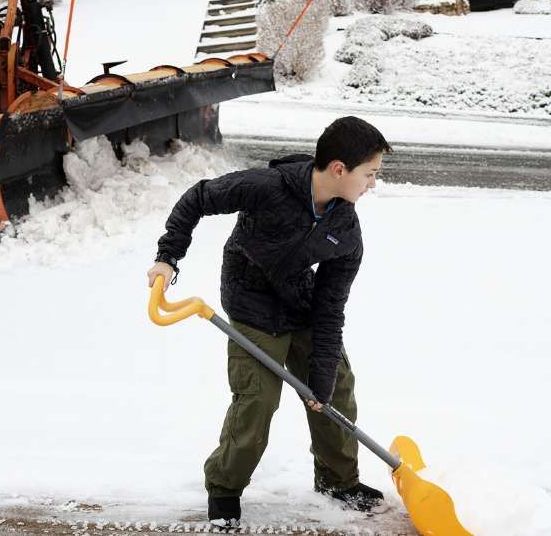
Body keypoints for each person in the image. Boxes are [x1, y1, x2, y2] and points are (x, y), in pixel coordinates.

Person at [147, 116, 391, 528]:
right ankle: (224, 489)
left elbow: (331, 307)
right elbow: (198, 199)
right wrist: (168, 257)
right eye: (369, 174)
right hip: (251, 303)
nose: (372, 184)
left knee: (335, 390)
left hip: (301, 303)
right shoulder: (268, 187)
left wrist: (321, 378)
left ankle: (338, 481)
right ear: (338, 169)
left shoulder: (345, 229)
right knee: (257, 401)